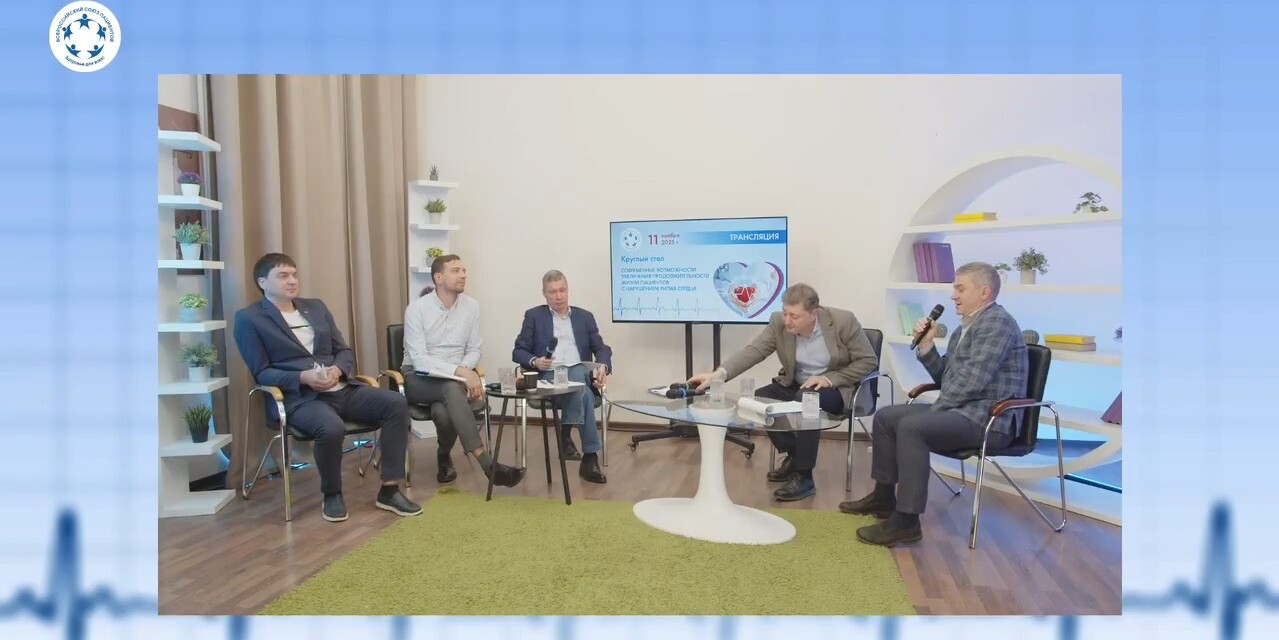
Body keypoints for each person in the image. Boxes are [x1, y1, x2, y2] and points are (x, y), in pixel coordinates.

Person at [841, 261, 1028, 547]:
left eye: (960, 288)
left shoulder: (997, 323)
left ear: (984, 292)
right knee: (886, 417)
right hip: (962, 410)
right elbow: (944, 378)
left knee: (912, 426)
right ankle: (884, 497)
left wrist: (935, 410)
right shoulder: (964, 328)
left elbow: (972, 382)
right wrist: (927, 344)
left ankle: (907, 521)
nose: (953, 295)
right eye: (955, 288)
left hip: (989, 419)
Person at [232, 252, 421, 523]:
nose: (292, 281)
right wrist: (303, 377)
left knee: (395, 403)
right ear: (262, 282)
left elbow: (343, 350)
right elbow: (261, 372)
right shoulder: (249, 318)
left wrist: (337, 370)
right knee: (331, 427)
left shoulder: (316, 307)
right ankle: (332, 493)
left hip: (340, 388)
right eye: (283, 276)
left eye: (294, 275)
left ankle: (390, 490)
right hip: (300, 399)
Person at [688, 283, 878, 501]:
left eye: (794, 316)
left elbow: (868, 361)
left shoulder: (842, 321)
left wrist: (829, 379)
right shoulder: (778, 323)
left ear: (813, 313)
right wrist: (719, 375)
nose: (787, 320)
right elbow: (754, 351)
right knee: (758, 400)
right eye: (785, 312)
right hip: (796, 384)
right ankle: (794, 456)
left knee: (807, 401)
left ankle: (804, 477)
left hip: (834, 388)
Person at [400, 254, 526, 488]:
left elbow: (474, 348)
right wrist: (460, 372)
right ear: (439, 277)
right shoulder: (416, 310)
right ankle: (487, 463)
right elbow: (419, 360)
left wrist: (464, 371)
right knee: (450, 388)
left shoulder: (471, 306)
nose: (463, 275)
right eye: (456, 271)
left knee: (443, 411)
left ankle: (443, 455)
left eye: (464, 270)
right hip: (418, 378)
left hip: (454, 381)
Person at [512, 270, 612, 484]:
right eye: (553, 292)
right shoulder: (534, 316)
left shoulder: (585, 317)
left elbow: (601, 348)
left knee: (579, 379)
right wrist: (535, 361)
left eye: (562, 290)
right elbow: (518, 351)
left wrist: (603, 366)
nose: (559, 296)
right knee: (583, 390)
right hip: (550, 376)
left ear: (568, 290)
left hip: (579, 372)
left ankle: (567, 435)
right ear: (544, 294)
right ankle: (589, 456)